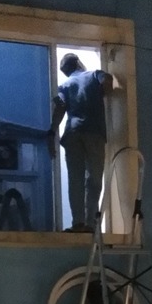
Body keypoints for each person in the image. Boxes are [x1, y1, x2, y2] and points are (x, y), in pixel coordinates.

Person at [48, 53, 114, 232]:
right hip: (94, 132)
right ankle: (91, 223)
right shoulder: (94, 74)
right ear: (78, 62)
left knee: (75, 179)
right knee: (94, 179)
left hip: (72, 134)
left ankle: (78, 222)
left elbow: (60, 106)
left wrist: (52, 132)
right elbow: (108, 81)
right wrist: (100, 94)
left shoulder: (65, 85)